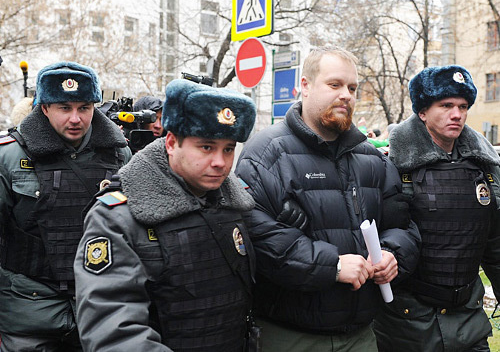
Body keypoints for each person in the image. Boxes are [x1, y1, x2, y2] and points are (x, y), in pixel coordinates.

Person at [235, 46, 421, 351]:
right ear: (305, 87)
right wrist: (331, 266)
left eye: (351, 88)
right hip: (290, 336)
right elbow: (259, 238)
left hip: (361, 335)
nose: (346, 95)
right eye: (334, 85)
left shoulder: (372, 158)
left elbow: (402, 225)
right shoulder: (265, 153)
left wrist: (392, 255)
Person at [74, 79, 257, 351]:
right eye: (206, 147)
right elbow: (113, 328)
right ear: (171, 143)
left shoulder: (234, 203)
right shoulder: (117, 216)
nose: (220, 162)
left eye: (228, 149)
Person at [0, 61, 131, 351]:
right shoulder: (8, 156)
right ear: (44, 108)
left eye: (84, 108)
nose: (75, 118)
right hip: (28, 317)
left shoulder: (120, 153)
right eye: (64, 108)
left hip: (100, 312)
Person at [373, 65, 500, 352]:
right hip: (408, 327)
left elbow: (495, 243)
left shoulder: (486, 167)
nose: (457, 114)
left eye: (463, 106)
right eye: (446, 105)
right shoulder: (389, 165)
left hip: (469, 321)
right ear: (422, 111)